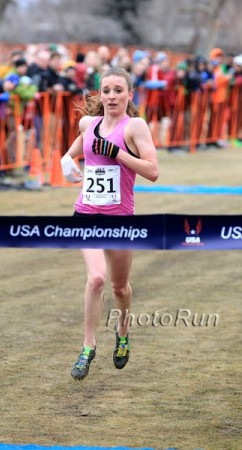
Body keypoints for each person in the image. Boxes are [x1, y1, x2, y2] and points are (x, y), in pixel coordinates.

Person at [60, 67, 159, 380]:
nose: (112, 96)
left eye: (119, 90)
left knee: (119, 286)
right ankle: (88, 348)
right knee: (97, 279)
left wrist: (117, 153)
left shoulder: (135, 127)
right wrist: (66, 160)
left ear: (130, 95)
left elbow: (153, 171)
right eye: (106, 90)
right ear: (99, 95)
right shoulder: (88, 123)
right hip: (86, 214)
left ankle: (123, 332)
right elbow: (76, 149)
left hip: (119, 219)